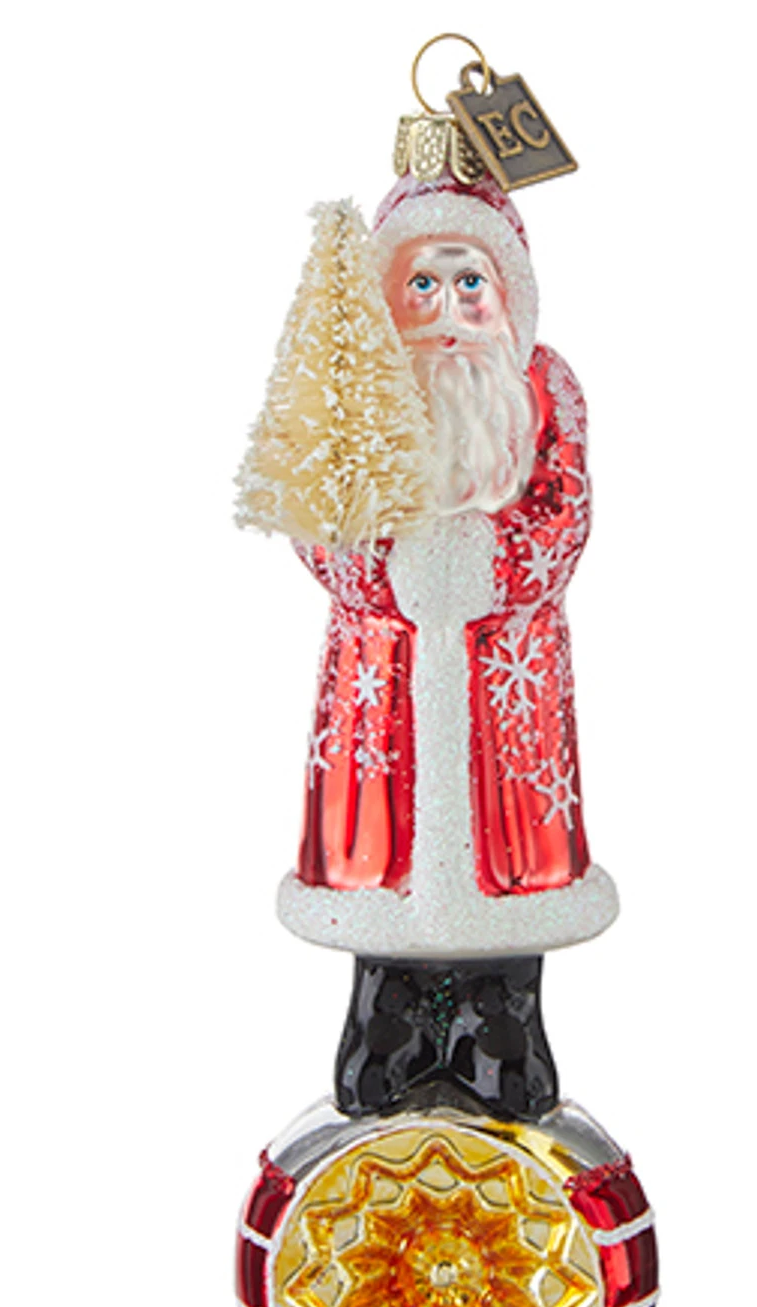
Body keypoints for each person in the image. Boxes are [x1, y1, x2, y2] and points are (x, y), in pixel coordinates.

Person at [277, 169, 617, 960]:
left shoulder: (544, 386)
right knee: (377, 841)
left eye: (471, 284)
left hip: (508, 662)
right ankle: (383, 997)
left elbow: (563, 514)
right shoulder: (354, 389)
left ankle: (507, 997)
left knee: (511, 836)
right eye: (422, 284)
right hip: (381, 662)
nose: (447, 312)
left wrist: (492, 570)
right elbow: (317, 510)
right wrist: (383, 576)